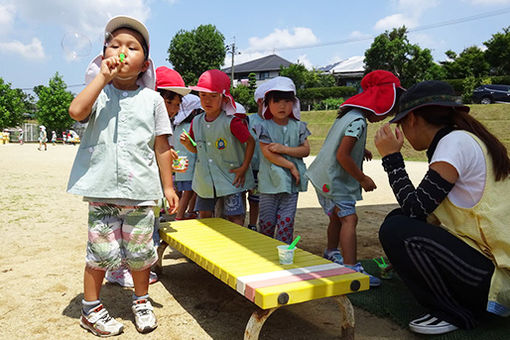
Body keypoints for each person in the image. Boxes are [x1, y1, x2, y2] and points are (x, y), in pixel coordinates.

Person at [67, 15, 179, 336]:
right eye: (114, 45)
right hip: (102, 191)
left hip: (142, 193)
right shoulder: (97, 92)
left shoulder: (154, 99)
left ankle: (141, 300)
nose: (122, 51)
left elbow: (161, 145)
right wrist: (101, 78)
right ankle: (91, 309)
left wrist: (168, 186)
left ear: (145, 64)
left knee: (141, 254)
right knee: (100, 254)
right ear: (103, 56)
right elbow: (76, 112)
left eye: (132, 47)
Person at [375, 80, 510, 335]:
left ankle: (453, 313)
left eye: (401, 124)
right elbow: (423, 213)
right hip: (490, 271)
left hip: (492, 282)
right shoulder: (461, 139)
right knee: (399, 219)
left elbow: (416, 210)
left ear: (412, 118)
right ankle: (457, 303)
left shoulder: (454, 143)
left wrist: (391, 159)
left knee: (397, 227)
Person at [306, 70, 404, 287]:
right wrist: (362, 178)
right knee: (350, 219)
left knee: (336, 217)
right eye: (386, 112)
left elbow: (340, 144)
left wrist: (362, 150)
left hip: (323, 176)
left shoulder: (349, 115)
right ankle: (350, 268)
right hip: (336, 179)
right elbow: (342, 155)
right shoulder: (359, 121)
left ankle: (331, 252)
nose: (385, 117)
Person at [180, 69, 255, 226]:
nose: (207, 100)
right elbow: (198, 150)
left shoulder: (231, 122)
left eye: (213, 96)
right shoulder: (197, 121)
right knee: (204, 215)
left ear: (223, 97)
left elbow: (250, 142)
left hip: (230, 179)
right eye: (203, 95)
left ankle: (236, 246)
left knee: (235, 216)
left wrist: (244, 167)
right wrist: (188, 145)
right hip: (205, 180)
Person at [253, 76, 310, 243]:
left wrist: (283, 149)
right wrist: (291, 165)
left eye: (287, 101)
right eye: (276, 101)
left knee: (287, 222)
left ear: (294, 103)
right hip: (269, 183)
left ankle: (283, 254)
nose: (282, 105)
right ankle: (266, 254)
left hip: (292, 184)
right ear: (267, 104)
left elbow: (306, 150)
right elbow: (268, 153)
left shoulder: (299, 126)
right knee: (267, 222)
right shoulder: (263, 126)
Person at [245, 80, 273, 231]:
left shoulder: (275, 121)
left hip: (269, 168)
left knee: (268, 200)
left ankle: (265, 225)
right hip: (254, 167)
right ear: (259, 102)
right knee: (254, 199)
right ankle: (252, 224)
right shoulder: (250, 120)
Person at [172, 94, 201, 220]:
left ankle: (188, 212)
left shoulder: (177, 126)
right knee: (188, 193)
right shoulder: (193, 126)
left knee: (185, 192)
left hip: (179, 165)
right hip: (190, 165)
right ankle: (180, 215)